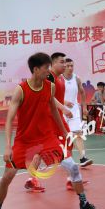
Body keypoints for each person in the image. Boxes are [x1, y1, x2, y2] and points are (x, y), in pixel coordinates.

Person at [0, 52, 102, 209]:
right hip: (25, 141)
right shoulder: (21, 90)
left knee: (72, 167)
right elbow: (9, 119)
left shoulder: (49, 87)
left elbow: (54, 111)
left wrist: (65, 132)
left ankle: (84, 203)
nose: (49, 71)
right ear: (35, 69)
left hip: (47, 138)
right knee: (7, 176)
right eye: (46, 68)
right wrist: (8, 146)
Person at [24, 52, 74, 192]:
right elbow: (49, 97)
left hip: (56, 118)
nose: (65, 65)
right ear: (53, 64)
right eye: (62, 62)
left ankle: (32, 179)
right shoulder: (49, 76)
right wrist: (63, 108)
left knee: (60, 145)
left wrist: (64, 103)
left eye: (66, 63)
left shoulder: (60, 79)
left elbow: (54, 96)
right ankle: (71, 179)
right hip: (50, 119)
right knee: (64, 144)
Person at [63, 58, 93, 167]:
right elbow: (53, 96)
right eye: (68, 66)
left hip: (74, 110)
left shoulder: (76, 78)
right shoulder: (59, 79)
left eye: (72, 66)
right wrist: (64, 102)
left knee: (78, 134)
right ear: (64, 67)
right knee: (64, 136)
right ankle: (65, 157)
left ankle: (83, 158)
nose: (70, 68)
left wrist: (84, 107)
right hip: (61, 110)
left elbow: (82, 92)